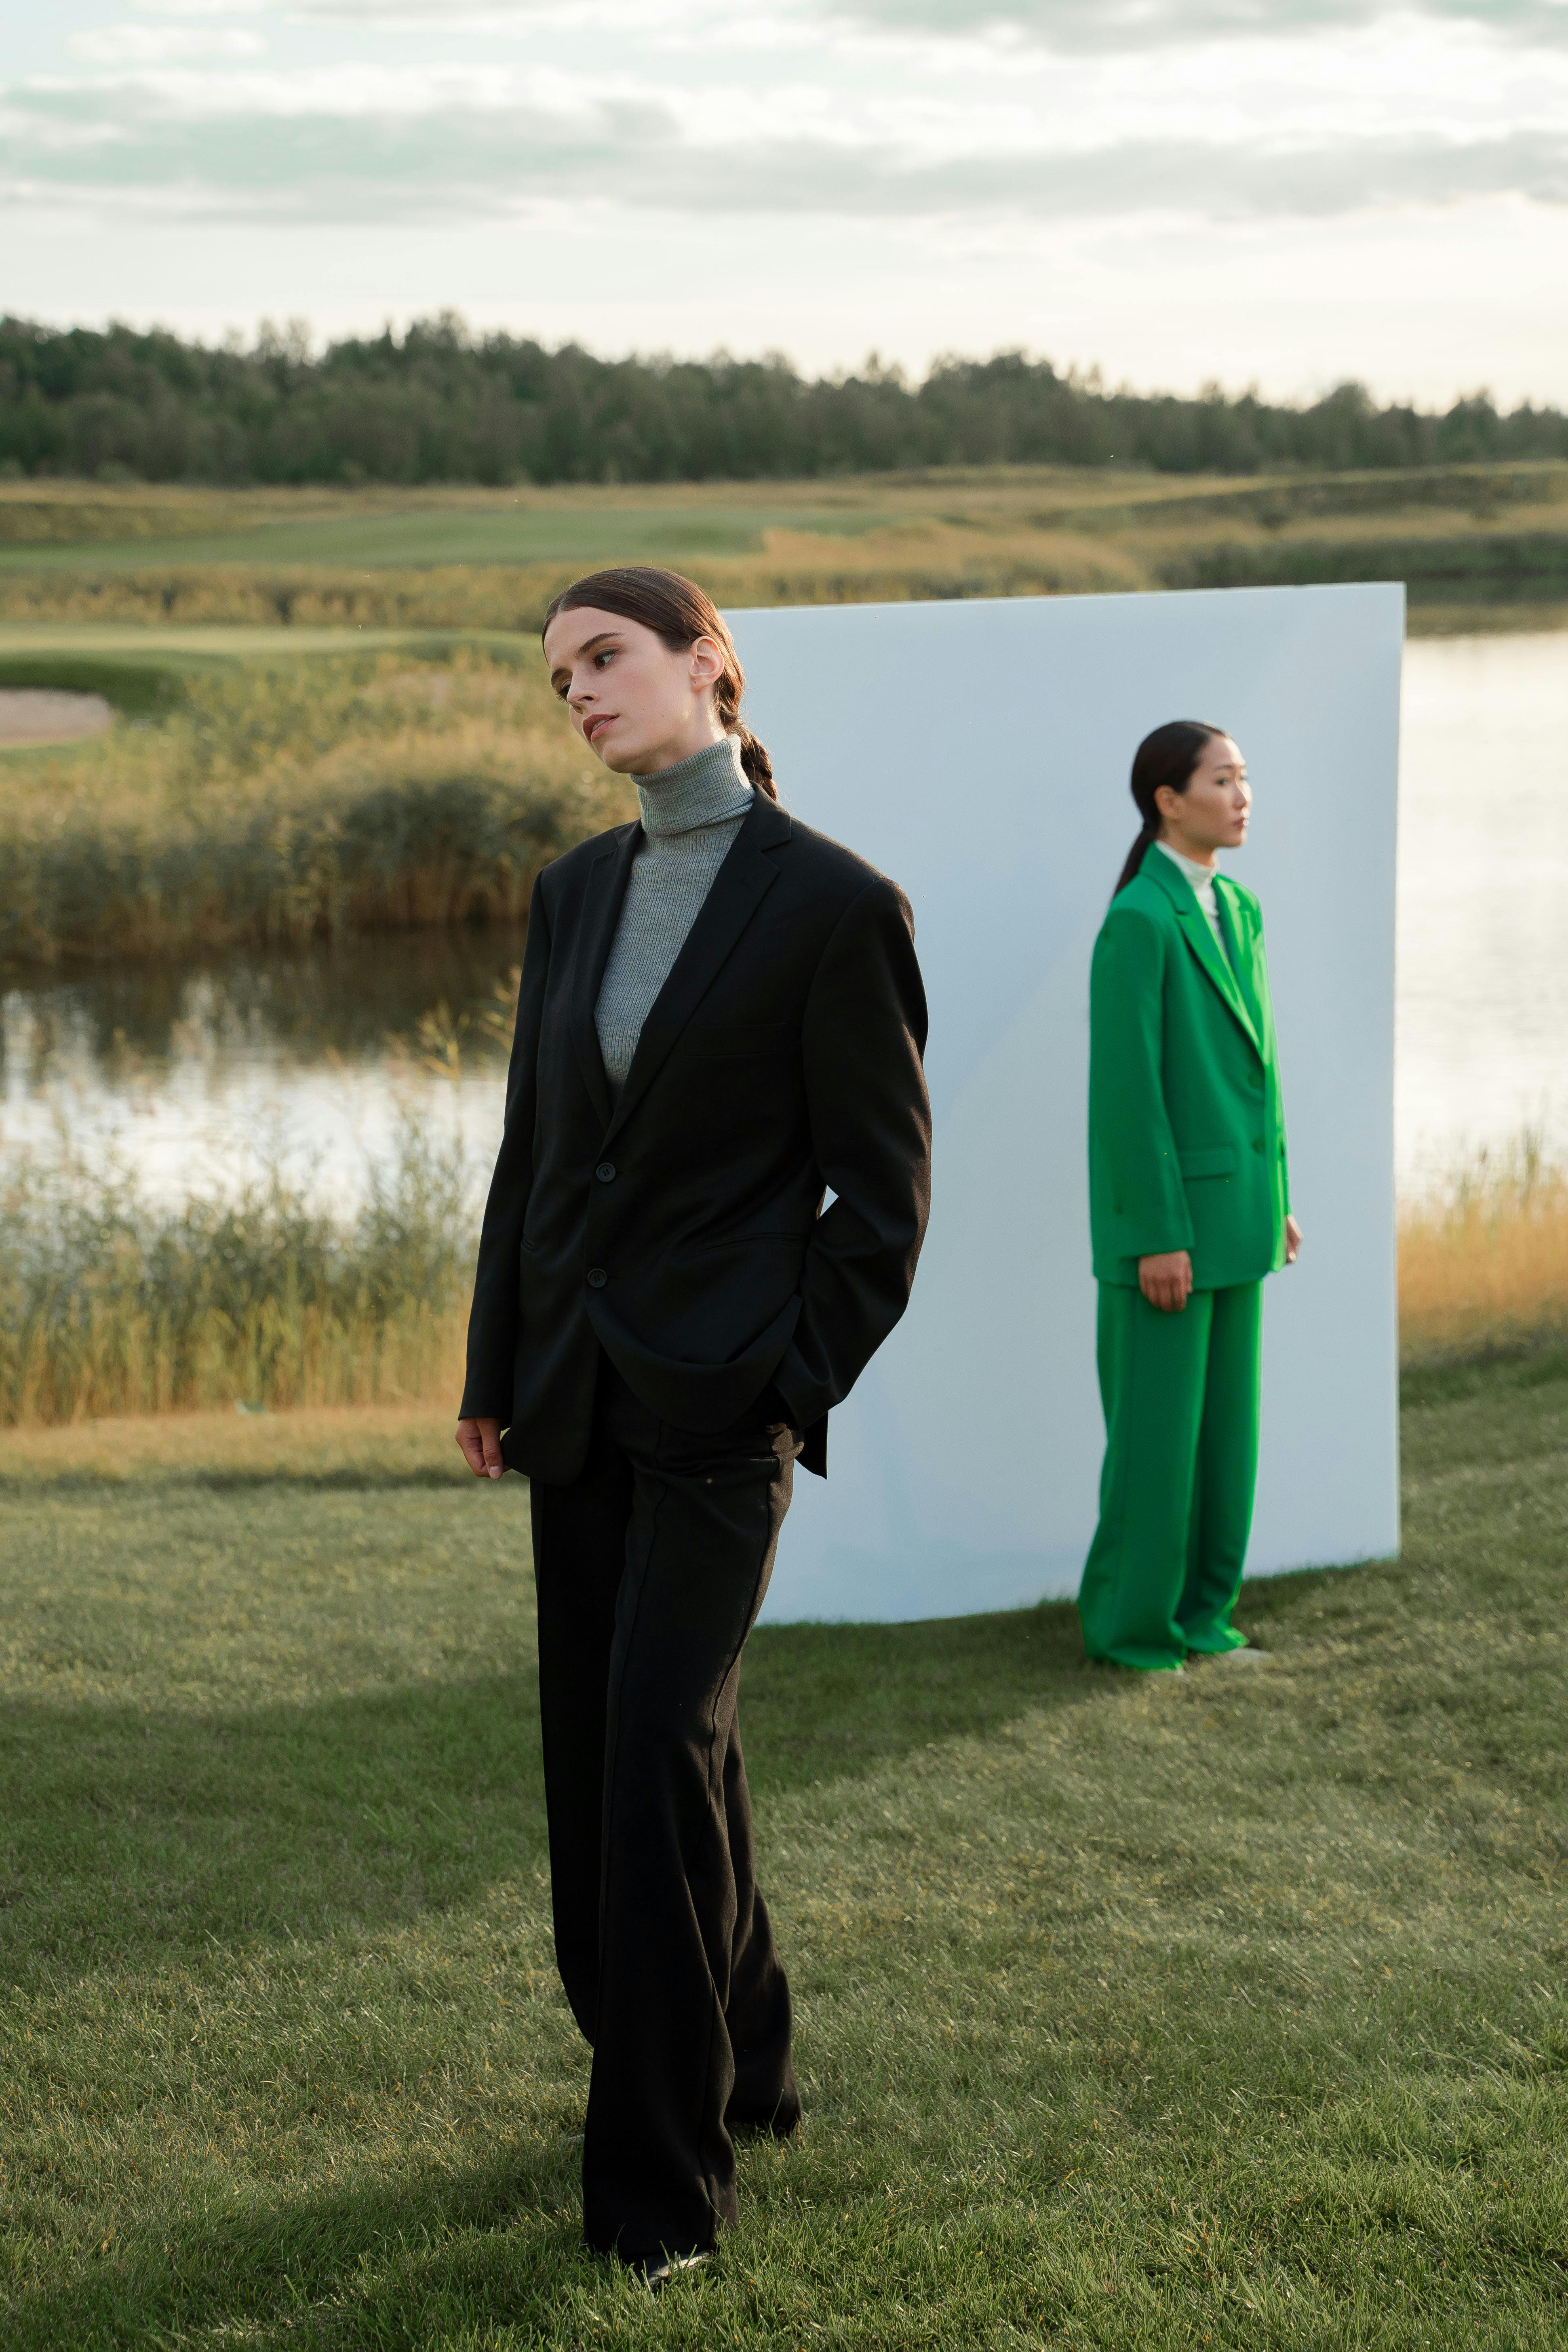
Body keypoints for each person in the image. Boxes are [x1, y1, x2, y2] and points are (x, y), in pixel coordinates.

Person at [455, 567, 931, 2281]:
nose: (579, 692)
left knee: (655, 1757)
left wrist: (788, 1383)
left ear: (704, 662)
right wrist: (492, 1369)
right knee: (632, 1751)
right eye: (560, 675)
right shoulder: (573, 890)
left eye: (605, 658)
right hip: (575, 1390)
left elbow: (878, 1201)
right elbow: (537, 1153)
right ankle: (756, 2065)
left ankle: (660, 2196)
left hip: (722, 1412)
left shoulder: (828, 902)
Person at [1079, 720, 1302, 1676]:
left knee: (1223, 1444)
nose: (1241, 795)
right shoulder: (1138, 919)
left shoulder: (1237, 909)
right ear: (1168, 799)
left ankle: (1206, 1618)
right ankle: (1132, 1634)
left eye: (1244, 778)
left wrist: (1276, 1195)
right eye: (1223, 779)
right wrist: (1153, 1237)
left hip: (1238, 1218)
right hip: (1165, 1239)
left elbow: (1258, 1073)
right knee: (1155, 1452)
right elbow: (1127, 1096)